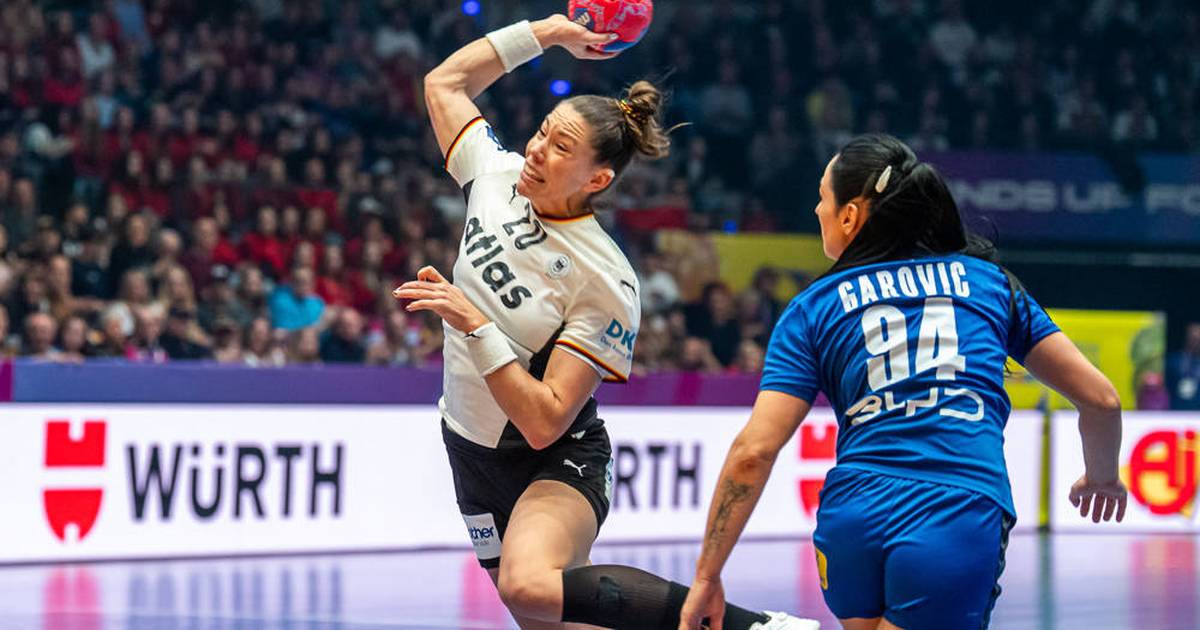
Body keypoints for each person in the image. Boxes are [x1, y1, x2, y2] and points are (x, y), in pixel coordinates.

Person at [394, 13, 817, 630]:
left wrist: (475, 325)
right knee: (549, 613)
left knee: (527, 585)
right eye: (542, 131)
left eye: (560, 147)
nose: (536, 149)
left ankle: (755, 627)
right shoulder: (494, 174)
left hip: (555, 459)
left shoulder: (606, 278)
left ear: (597, 179)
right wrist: (546, 33)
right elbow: (444, 84)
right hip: (469, 450)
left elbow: (544, 422)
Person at [680, 134, 1127, 630]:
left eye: (822, 197)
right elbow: (1102, 400)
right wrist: (1102, 477)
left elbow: (754, 452)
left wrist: (707, 575)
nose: (816, 209)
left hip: (851, 519)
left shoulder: (810, 308)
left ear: (849, 216)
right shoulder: (989, 284)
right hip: (954, 511)